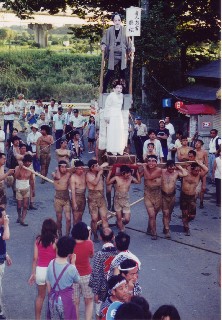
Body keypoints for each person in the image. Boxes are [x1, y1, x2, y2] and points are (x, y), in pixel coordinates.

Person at [28, 218, 57, 320]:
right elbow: (58, 259)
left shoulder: (38, 240)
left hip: (40, 271)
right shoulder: (56, 241)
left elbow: (35, 258)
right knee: (52, 297)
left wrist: (33, 273)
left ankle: (37, 318)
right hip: (51, 272)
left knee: (40, 297)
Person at [46, 236, 80, 320]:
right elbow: (77, 279)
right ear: (70, 253)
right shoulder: (71, 268)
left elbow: (48, 282)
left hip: (53, 299)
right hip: (66, 301)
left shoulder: (51, 263)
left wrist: (50, 295)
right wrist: (73, 263)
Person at [89, 227, 118, 320]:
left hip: (102, 290)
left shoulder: (99, 255)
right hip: (115, 289)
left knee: (99, 313)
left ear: (100, 237)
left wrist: (96, 293)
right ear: (113, 236)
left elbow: (96, 274)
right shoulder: (117, 253)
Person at [101, 13, 132, 93]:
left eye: (119, 20)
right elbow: (105, 40)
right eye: (115, 20)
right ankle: (103, 90)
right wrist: (103, 45)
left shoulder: (125, 30)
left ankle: (124, 92)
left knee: (123, 73)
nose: (117, 22)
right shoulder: (109, 30)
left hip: (122, 54)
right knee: (109, 72)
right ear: (113, 21)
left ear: (121, 21)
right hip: (113, 54)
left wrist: (131, 48)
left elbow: (129, 42)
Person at [107, 165, 140, 231]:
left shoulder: (130, 178)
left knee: (127, 219)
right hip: (117, 200)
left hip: (126, 200)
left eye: (129, 174)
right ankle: (121, 230)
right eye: (127, 174)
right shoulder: (116, 178)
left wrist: (137, 173)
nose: (128, 175)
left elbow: (138, 182)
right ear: (123, 173)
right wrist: (110, 172)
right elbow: (107, 182)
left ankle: (120, 224)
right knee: (119, 218)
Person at [71, 222, 94, 320]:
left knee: (75, 302)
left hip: (73, 275)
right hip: (87, 275)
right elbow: (91, 255)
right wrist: (88, 237)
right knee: (88, 301)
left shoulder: (70, 243)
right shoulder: (89, 243)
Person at [180, 160, 208, 236]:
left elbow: (206, 170)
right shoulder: (185, 173)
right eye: (196, 170)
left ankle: (185, 221)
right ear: (191, 169)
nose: (197, 172)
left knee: (192, 215)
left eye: (198, 170)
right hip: (184, 196)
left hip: (192, 197)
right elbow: (177, 168)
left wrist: (200, 164)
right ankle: (186, 228)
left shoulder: (199, 175)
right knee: (185, 214)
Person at [161, 160, 188, 239]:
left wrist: (179, 167)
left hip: (172, 196)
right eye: (169, 167)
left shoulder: (176, 173)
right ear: (167, 167)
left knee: (169, 214)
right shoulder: (162, 172)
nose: (171, 169)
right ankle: (167, 230)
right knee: (165, 213)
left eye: (173, 167)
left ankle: (165, 226)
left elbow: (185, 174)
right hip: (163, 196)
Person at [86, 159, 109, 242]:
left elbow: (106, 163)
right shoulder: (88, 174)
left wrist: (101, 167)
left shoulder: (99, 171)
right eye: (96, 166)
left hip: (101, 197)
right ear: (92, 168)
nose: (98, 166)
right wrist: (99, 173)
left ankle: (107, 236)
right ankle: (95, 234)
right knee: (94, 219)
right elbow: (95, 183)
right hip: (93, 198)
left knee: (104, 218)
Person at [140, 155, 162, 239]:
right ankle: (154, 232)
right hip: (148, 194)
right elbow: (138, 178)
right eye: (149, 161)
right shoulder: (145, 169)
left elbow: (149, 176)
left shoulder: (159, 170)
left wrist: (144, 167)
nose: (151, 163)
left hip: (158, 194)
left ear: (156, 163)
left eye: (153, 161)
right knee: (152, 215)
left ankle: (150, 228)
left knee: (154, 215)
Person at [103, 80, 127, 155]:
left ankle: (119, 149)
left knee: (119, 131)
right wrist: (107, 116)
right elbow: (107, 106)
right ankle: (112, 149)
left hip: (119, 115)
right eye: (117, 87)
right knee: (112, 132)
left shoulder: (122, 95)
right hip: (112, 115)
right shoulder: (111, 95)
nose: (119, 89)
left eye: (120, 88)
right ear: (114, 88)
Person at [52, 161, 72, 237]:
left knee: (68, 219)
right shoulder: (54, 174)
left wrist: (68, 169)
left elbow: (72, 170)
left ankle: (67, 235)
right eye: (62, 167)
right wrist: (57, 170)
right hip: (58, 199)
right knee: (59, 218)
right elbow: (58, 177)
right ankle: (59, 232)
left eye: (65, 167)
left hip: (66, 199)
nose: (64, 169)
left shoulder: (68, 174)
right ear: (59, 167)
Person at [14, 154, 34, 226]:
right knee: (19, 205)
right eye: (27, 162)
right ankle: (19, 216)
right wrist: (19, 168)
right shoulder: (17, 167)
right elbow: (15, 176)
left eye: (30, 162)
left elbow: (31, 180)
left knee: (25, 206)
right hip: (19, 189)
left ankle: (23, 220)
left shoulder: (30, 170)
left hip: (27, 189)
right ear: (24, 162)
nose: (28, 163)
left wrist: (33, 190)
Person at [0, 207, 12, 320]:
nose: (6, 218)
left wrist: (6, 254)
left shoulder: (0, 228)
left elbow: (1, 243)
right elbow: (6, 237)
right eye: (4, 216)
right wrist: (7, 224)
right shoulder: (3, 228)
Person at [70, 160, 86, 225]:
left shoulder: (84, 174)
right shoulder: (73, 177)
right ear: (76, 169)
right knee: (75, 218)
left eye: (82, 168)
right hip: (76, 197)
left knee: (80, 216)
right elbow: (73, 192)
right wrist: (74, 203)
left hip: (83, 197)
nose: (81, 170)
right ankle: (74, 233)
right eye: (79, 169)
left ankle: (79, 231)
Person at [195, 139, 208, 208]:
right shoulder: (193, 152)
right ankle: (193, 201)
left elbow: (206, 163)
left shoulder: (204, 152)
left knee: (203, 188)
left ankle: (201, 202)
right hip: (195, 171)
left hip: (202, 170)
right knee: (194, 187)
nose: (196, 144)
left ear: (201, 145)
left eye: (198, 143)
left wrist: (205, 172)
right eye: (196, 143)